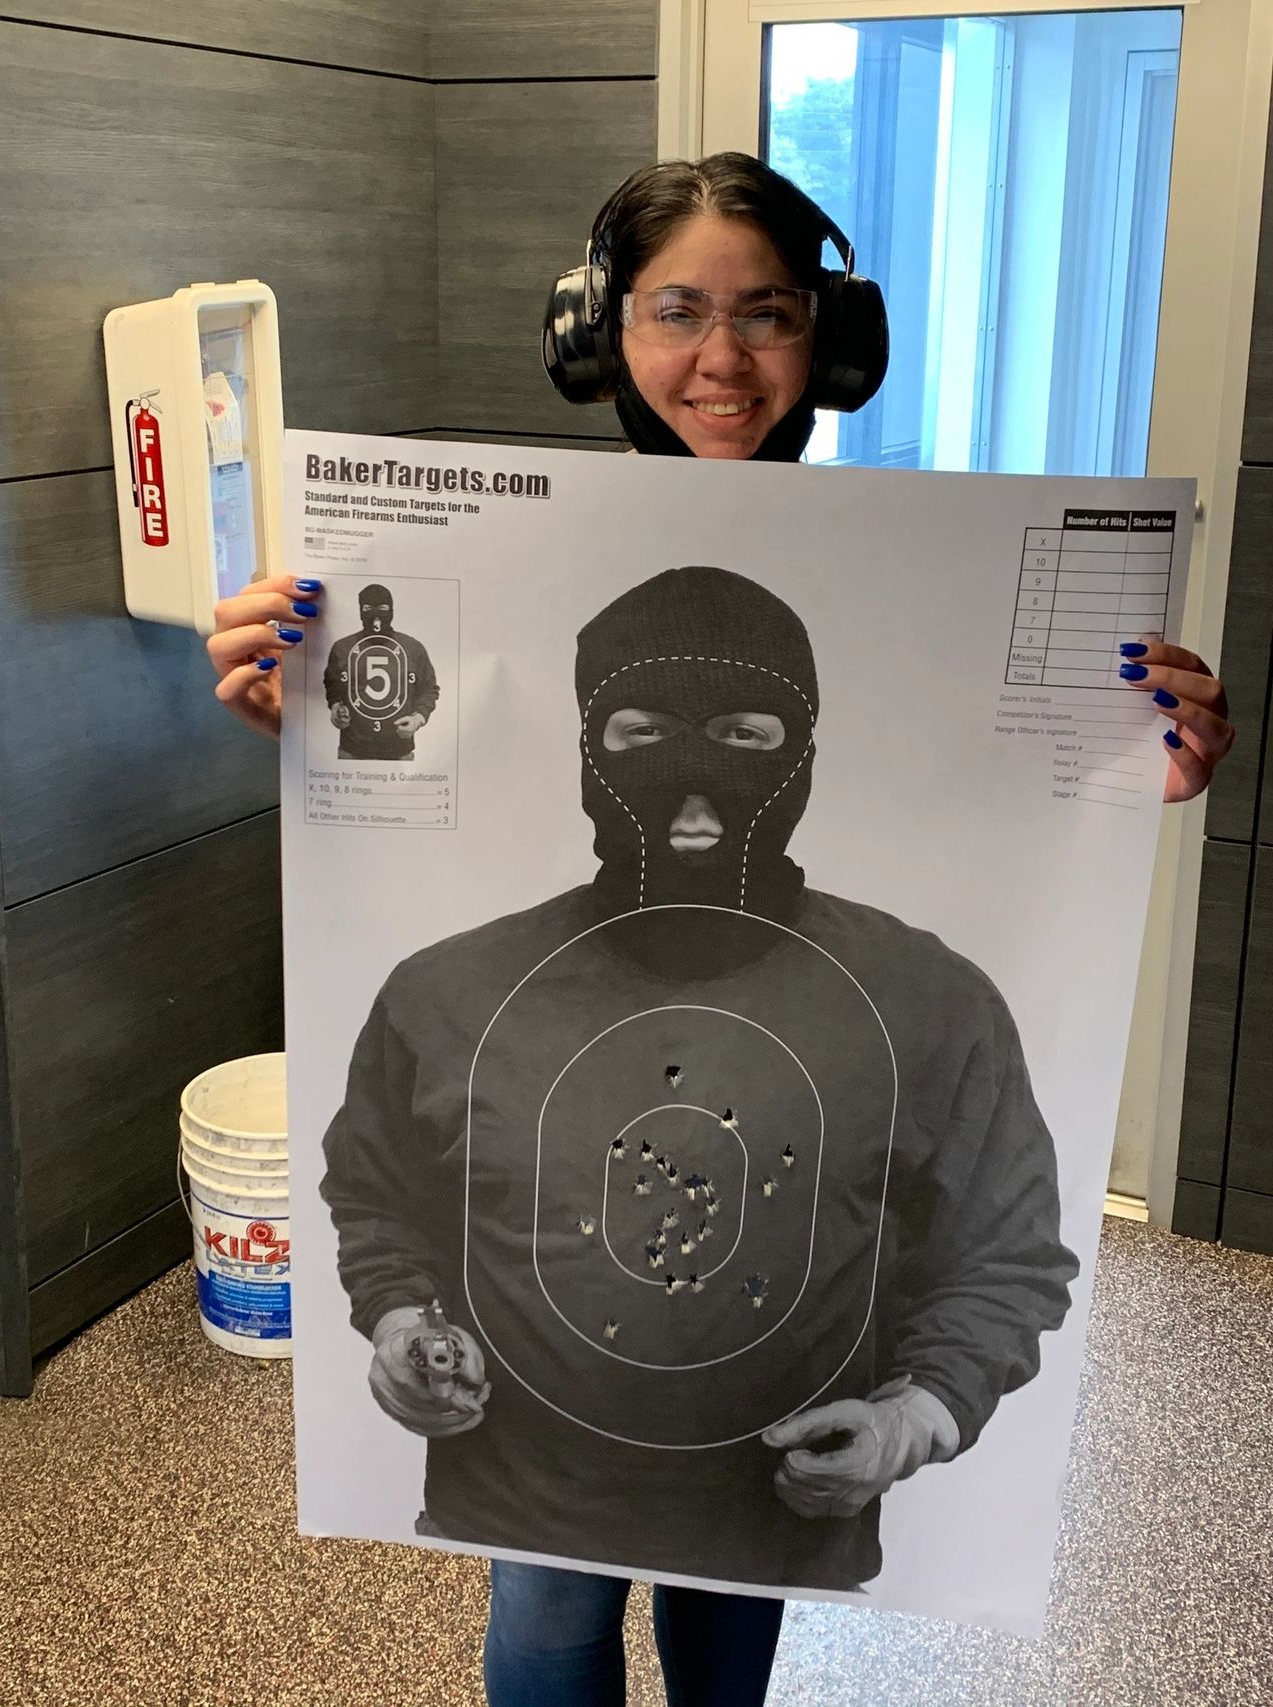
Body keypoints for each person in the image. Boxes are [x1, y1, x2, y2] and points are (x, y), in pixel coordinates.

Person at [207, 154, 1237, 1707]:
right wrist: (405, 1310)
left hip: (780, 1463)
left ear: (830, 339)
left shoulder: (924, 981)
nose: (722, 356)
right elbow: (379, 1176)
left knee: (727, 1639)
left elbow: (1008, 1238)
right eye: (676, 309)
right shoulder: (449, 975)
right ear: (598, 331)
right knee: (545, 1634)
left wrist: (1112, 766)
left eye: (767, 314)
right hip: (527, 1460)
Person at [324, 582, 439, 762]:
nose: (376, 616)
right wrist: (336, 707)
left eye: (383, 608)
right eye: (368, 608)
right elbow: (332, 686)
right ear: (360, 610)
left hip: (399, 753)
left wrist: (417, 719)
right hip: (352, 752)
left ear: (392, 610)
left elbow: (429, 689)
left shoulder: (413, 648)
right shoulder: (342, 648)